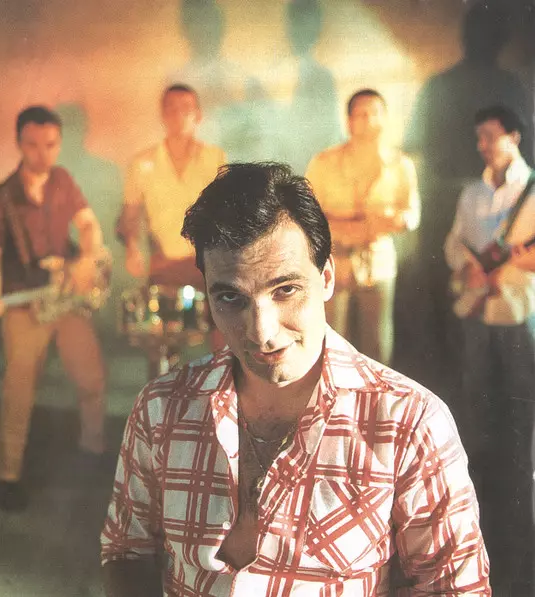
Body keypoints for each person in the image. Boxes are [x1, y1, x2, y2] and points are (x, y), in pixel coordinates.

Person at [101, 162, 489, 596]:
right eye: (231, 297)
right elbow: (126, 550)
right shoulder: (161, 408)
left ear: (327, 279)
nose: (261, 332)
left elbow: (455, 587)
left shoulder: (410, 423)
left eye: (285, 290)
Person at [0, 105, 106, 511]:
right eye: (33, 145)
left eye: (50, 145)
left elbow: (88, 225)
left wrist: (87, 258)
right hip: (24, 303)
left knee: (91, 375)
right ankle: (7, 476)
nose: (42, 154)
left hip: (64, 297)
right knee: (19, 388)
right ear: (19, 143)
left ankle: (94, 452)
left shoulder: (63, 180)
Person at [444, 104, 535, 595]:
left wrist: (514, 265)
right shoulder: (472, 193)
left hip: (521, 308)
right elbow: (454, 243)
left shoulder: (531, 190)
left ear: (514, 137)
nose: (484, 145)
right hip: (476, 306)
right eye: (479, 137)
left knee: (521, 401)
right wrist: (470, 267)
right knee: (476, 393)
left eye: (492, 136)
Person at [306, 89, 419, 365]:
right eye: (362, 114)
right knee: (331, 342)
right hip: (334, 261)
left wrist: (394, 219)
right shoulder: (324, 162)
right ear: (349, 122)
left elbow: (412, 213)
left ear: (386, 119)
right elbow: (305, 213)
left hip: (377, 261)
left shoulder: (400, 165)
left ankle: (376, 391)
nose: (369, 121)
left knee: (377, 343)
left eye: (376, 114)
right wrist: (347, 225)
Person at [117, 83, 225, 288]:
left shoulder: (215, 159)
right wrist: (132, 248)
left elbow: (227, 212)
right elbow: (129, 214)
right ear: (163, 116)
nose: (178, 115)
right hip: (163, 267)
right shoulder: (142, 163)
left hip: (206, 265)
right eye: (171, 109)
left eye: (186, 108)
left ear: (198, 116)